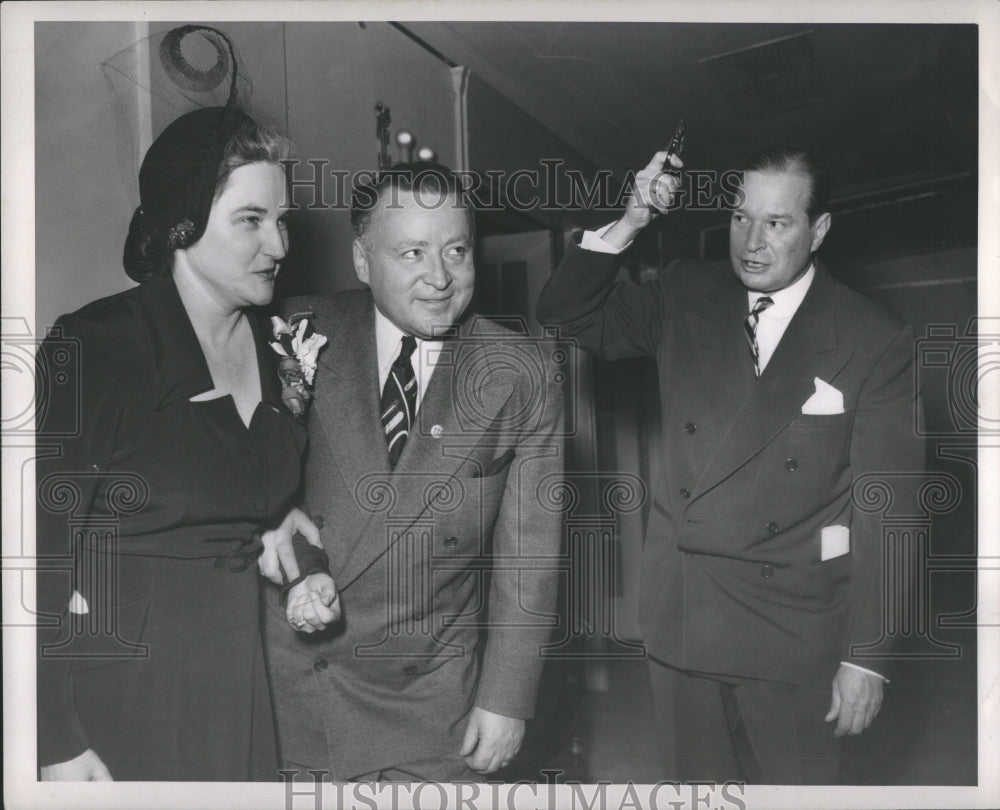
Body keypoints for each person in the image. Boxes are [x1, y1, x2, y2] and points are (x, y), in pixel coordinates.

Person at [535, 146, 925, 783]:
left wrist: (868, 657)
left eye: (778, 223)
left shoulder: (873, 337)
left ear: (818, 230)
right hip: (684, 608)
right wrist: (631, 220)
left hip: (793, 625)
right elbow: (565, 312)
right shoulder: (687, 290)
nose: (753, 242)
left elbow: (891, 510)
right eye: (742, 218)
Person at [35, 105, 335, 781]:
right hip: (118, 698)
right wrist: (53, 740)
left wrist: (306, 566)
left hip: (237, 683)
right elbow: (31, 558)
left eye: (282, 220)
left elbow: (268, 514)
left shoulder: (274, 346)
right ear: (182, 224)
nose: (280, 246)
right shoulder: (98, 345)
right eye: (251, 220)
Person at [263, 163, 564, 782]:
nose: (440, 277)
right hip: (295, 686)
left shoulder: (520, 370)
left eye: (457, 250)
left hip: (430, 696)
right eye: (412, 252)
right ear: (361, 260)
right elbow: (248, 493)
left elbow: (528, 555)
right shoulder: (293, 332)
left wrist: (506, 698)